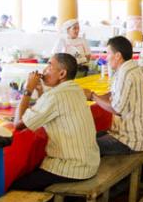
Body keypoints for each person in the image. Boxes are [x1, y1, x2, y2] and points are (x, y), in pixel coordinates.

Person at [13, 53, 100, 190]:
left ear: (62, 74)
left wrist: (28, 90)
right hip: (89, 163)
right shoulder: (76, 89)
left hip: (71, 168)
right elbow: (49, 110)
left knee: (15, 186)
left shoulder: (55, 96)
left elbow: (18, 125)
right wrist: (41, 91)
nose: (44, 71)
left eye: (49, 66)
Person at [85, 37, 143, 156]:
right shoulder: (132, 67)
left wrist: (93, 96)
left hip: (130, 140)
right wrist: (91, 96)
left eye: (108, 53)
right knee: (90, 136)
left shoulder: (125, 74)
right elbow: (113, 94)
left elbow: (117, 109)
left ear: (118, 55)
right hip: (137, 134)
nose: (106, 57)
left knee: (84, 146)